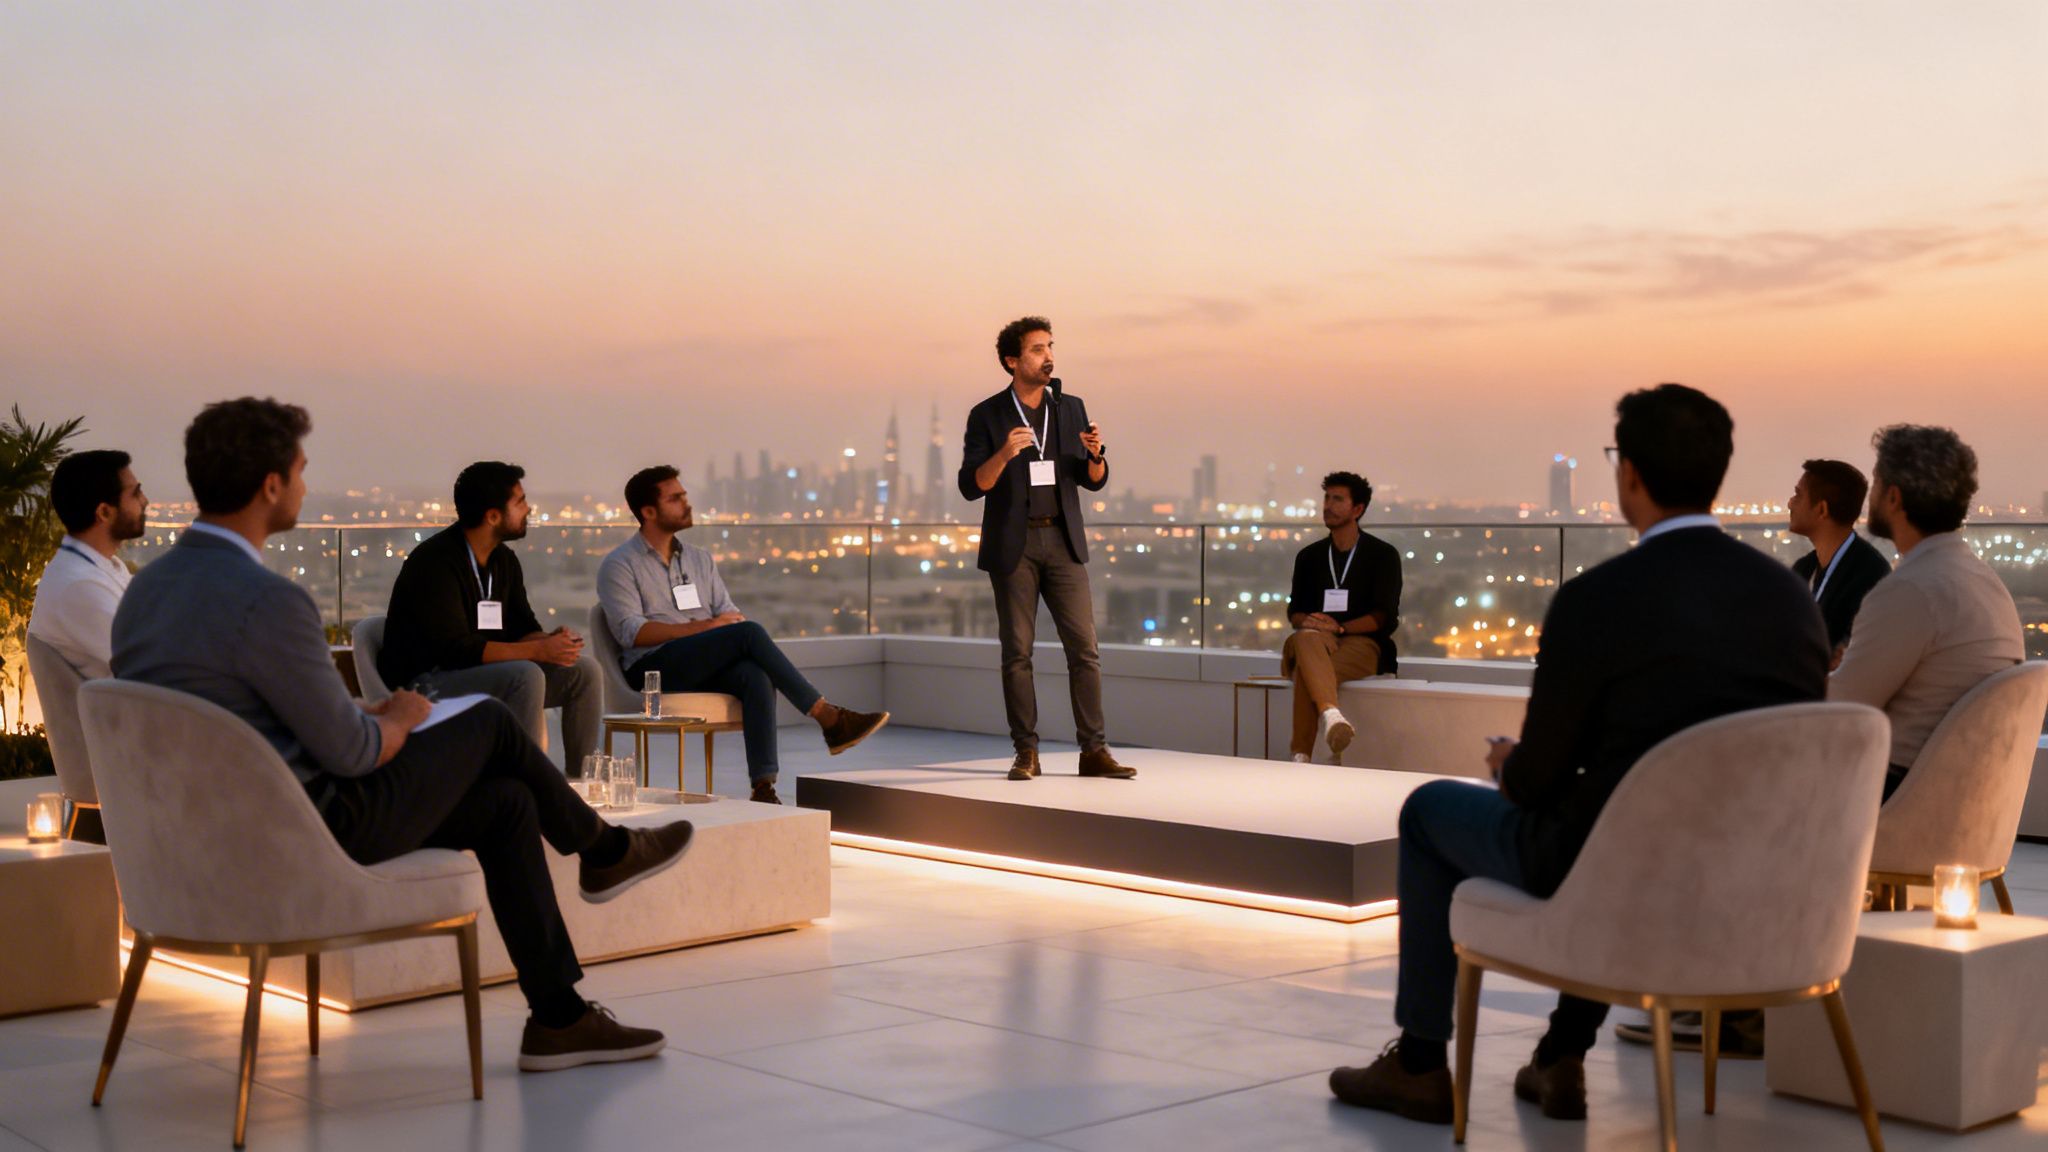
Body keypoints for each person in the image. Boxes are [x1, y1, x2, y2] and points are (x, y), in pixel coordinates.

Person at [113, 398, 689, 1072]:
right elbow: (353, 752)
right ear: (271, 486)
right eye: (300, 471)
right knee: (490, 722)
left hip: (202, 842)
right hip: (311, 829)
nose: (303, 484)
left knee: (508, 804)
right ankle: (605, 847)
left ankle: (559, 1016)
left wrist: (375, 717)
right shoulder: (269, 601)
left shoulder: (141, 596)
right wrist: (398, 717)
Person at [1327, 384, 1827, 1126]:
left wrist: (1508, 764)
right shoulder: (1791, 599)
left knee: (1431, 810)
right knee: (1621, 823)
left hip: (1616, 873)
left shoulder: (1599, 601)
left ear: (1628, 474)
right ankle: (1560, 1056)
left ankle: (1424, 1063)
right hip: (1758, 887)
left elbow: (1536, 783)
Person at [596, 466, 888, 805]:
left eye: (684, 495)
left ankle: (763, 787)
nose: (686, 503)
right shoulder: (620, 565)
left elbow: (728, 612)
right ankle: (827, 716)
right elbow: (632, 632)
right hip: (651, 669)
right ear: (648, 512)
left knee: (755, 674)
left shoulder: (698, 559)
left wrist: (720, 628)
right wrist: (705, 628)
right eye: (675, 499)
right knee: (748, 633)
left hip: (701, 660)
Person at [957, 316, 1134, 782]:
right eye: (1037, 349)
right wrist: (1003, 454)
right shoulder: (988, 415)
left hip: (1063, 540)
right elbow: (971, 486)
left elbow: (1091, 480)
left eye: (1050, 347)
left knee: (1085, 650)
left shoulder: (1070, 407)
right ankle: (1026, 752)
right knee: (1018, 652)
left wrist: (1097, 456)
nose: (1048, 356)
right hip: (1014, 545)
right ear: (1012, 361)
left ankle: (1094, 751)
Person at [1830, 424, 2024, 799]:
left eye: (1876, 483)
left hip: (1892, 795)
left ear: (1894, 497)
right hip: (1960, 796)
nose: (1871, 495)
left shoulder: (1912, 589)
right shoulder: (1984, 581)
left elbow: (1839, 709)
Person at [377, 461, 602, 767]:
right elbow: (457, 651)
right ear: (493, 516)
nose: (529, 509)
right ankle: (531, 786)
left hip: (486, 673)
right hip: (428, 683)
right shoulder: (434, 563)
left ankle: (582, 782)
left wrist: (552, 641)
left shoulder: (503, 561)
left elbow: (522, 627)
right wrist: (537, 650)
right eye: (520, 502)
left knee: (584, 673)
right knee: (525, 675)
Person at [1282, 471, 1402, 763]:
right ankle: (1331, 714)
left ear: (1357, 509)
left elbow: (1384, 617)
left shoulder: (1382, 555)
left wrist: (1340, 628)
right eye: (1326, 497)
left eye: (1338, 499)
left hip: (1361, 643)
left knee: (1307, 672)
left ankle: (1301, 756)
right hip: (1315, 640)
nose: (1328, 505)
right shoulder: (1309, 557)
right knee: (1306, 638)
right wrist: (1307, 621)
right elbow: (1294, 611)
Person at [27, 449, 146, 679]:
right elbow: (146, 665)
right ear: (104, 511)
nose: (145, 500)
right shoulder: (78, 586)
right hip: (123, 712)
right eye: (136, 493)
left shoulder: (103, 567)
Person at [1787, 458, 1891, 663]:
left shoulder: (1871, 576)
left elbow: (1850, 659)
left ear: (1822, 510)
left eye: (1798, 495)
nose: (1790, 502)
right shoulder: (1803, 569)